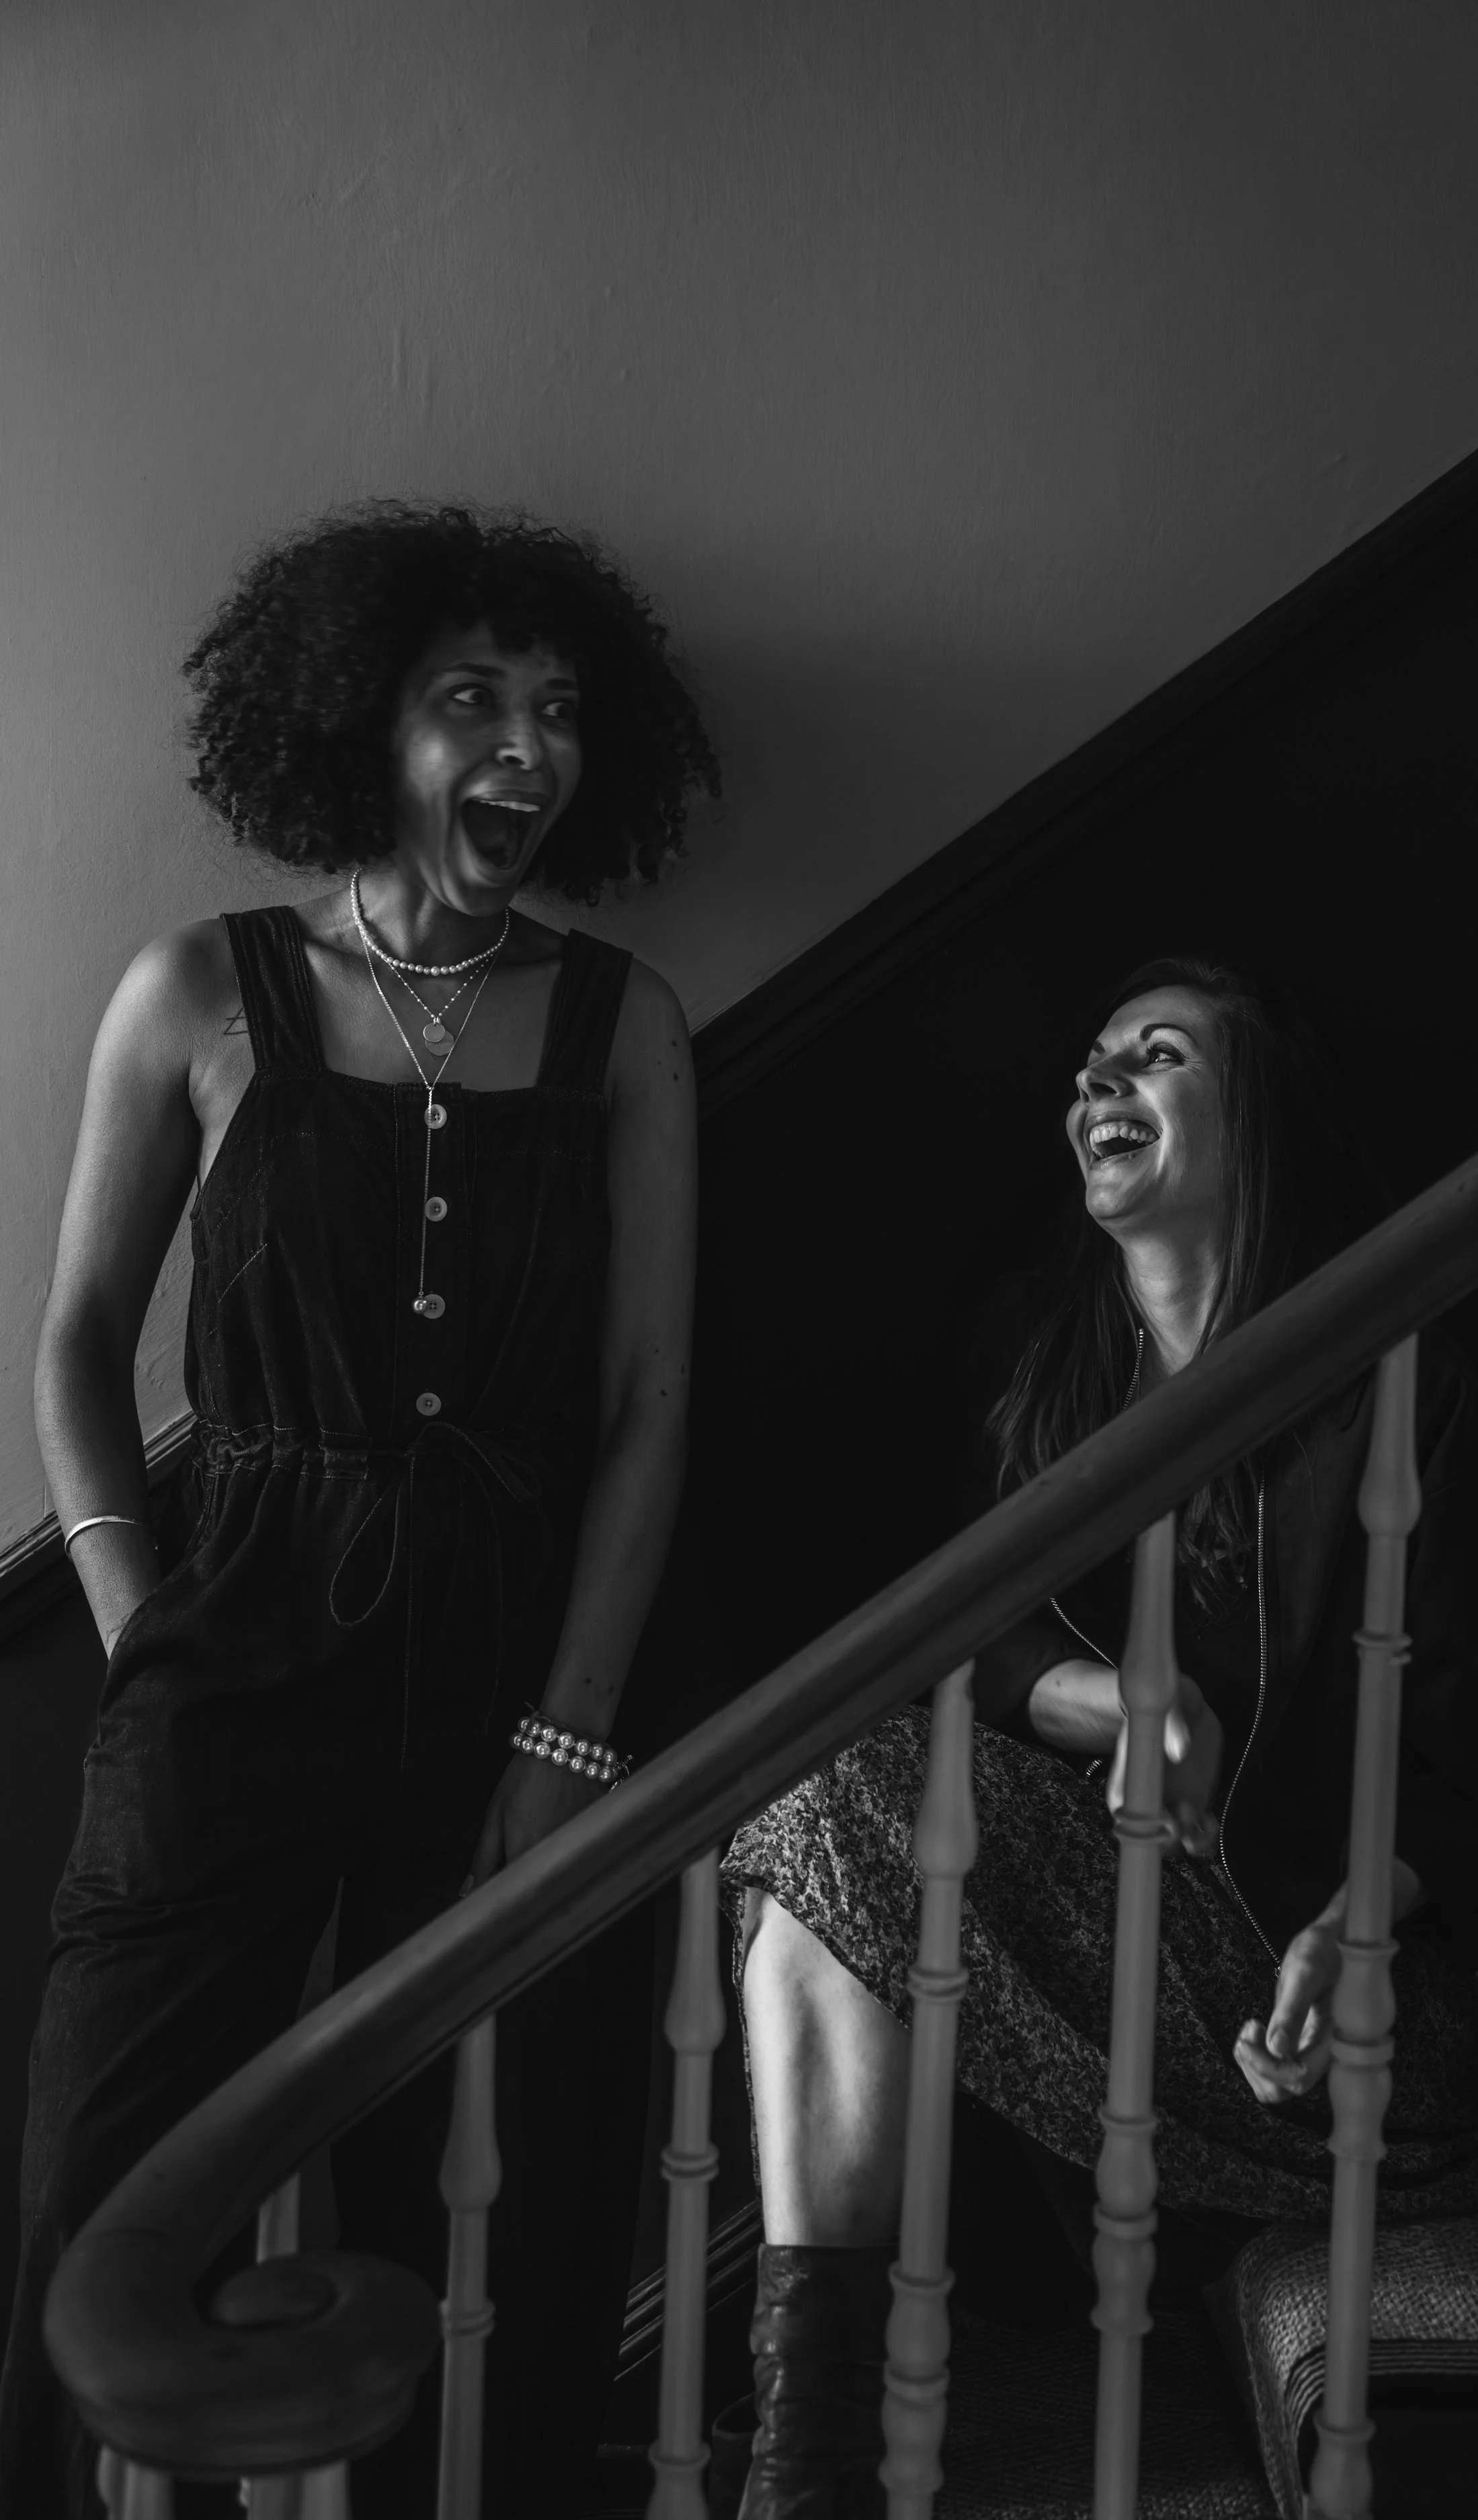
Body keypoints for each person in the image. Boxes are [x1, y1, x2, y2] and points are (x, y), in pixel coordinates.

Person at [1, 500, 719, 2519]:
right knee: (98, 2188)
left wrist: (568, 1729)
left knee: (500, 2206)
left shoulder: (624, 1027)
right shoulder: (197, 991)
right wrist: (147, 1623)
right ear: (358, 721)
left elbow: (652, 1398)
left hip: (507, 1666)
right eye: (470, 697)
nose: (526, 745)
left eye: (560, 708)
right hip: (224, 1636)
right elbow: (72, 1347)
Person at [719, 956, 1478, 2520]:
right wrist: (1114, 1696)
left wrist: (1357, 1928)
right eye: (1090, 1064)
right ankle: (809, 2468)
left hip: (1349, 2018)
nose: (1099, 1086)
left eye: (1154, 1059)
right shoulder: (1038, 1362)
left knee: (817, 1830)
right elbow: (962, 1636)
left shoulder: (1400, 1389)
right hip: (1119, 1956)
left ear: (1258, 1125)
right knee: (817, 1818)